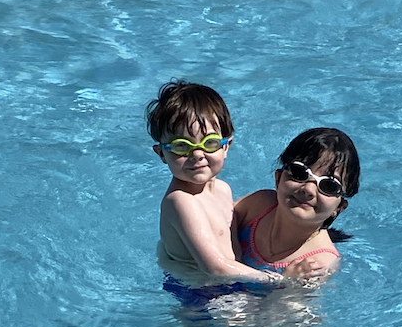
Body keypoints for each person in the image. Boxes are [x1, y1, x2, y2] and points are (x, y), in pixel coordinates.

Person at [147, 80, 308, 299]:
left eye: (210, 143)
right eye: (181, 146)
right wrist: (278, 280)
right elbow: (215, 268)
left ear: (226, 146)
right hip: (200, 294)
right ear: (161, 154)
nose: (197, 154)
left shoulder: (222, 189)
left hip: (232, 280)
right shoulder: (180, 201)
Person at [235, 127, 360, 279]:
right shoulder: (258, 205)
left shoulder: (319, 263)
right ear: (278, 179)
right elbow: (211, 220)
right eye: (300, 172)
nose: (308, 189)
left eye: (329, 185)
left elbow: (279, 304)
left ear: (339, 208)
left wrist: (287, 283)